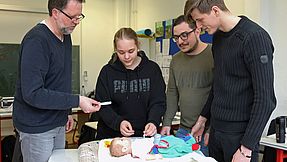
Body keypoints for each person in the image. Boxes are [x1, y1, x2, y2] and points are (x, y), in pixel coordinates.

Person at [184, 0, 276, 162]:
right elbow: (219, 84)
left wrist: (246, 148)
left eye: (200, 20)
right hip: (216, 133)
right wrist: (203, 119)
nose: (198, 27)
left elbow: (265, 99)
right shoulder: (218, 38)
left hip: (240, 137)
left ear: (215, 10)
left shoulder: (254, 37)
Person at [12, 0, 101, 162]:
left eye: (79, 16)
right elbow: (33, 93)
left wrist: (66, 111)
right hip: (37, 128)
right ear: (55, 13)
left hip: (57, 123)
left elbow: (60, 80)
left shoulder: (65, 35)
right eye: (72, 17)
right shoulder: (37, 40)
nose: (76, 22)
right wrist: (77, 100)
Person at [94, 27, 166, 139]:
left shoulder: (152, 69)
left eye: (131, 51)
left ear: (138, 46)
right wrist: (118, 123)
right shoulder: (107, 72)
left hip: (143, 137)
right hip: (111, 136)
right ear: (115, 50)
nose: (126, 57)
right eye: (121, 52)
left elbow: (158, 101)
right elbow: (102, 105)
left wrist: (153, 121)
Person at [160, 15, 213, 156]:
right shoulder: (176, 60)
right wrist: (167, 123)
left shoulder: (214, 55)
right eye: (176, 37)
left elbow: (221, 95)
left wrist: (211, 129)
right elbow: (172, 93)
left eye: (184, 35)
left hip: (207, 131)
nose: (180, 41)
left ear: (197, 30)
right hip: (183, 131)